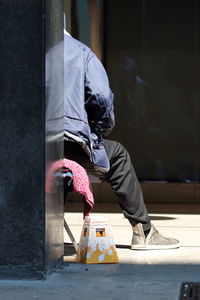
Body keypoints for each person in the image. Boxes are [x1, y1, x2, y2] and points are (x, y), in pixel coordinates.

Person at [64, 30, 180, 250]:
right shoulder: (79, 52)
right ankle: (144, 232)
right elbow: (100, 97)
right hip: (68, 145)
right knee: (117, 154)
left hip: (28, 146)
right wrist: (99, 131)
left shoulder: (24, 51)